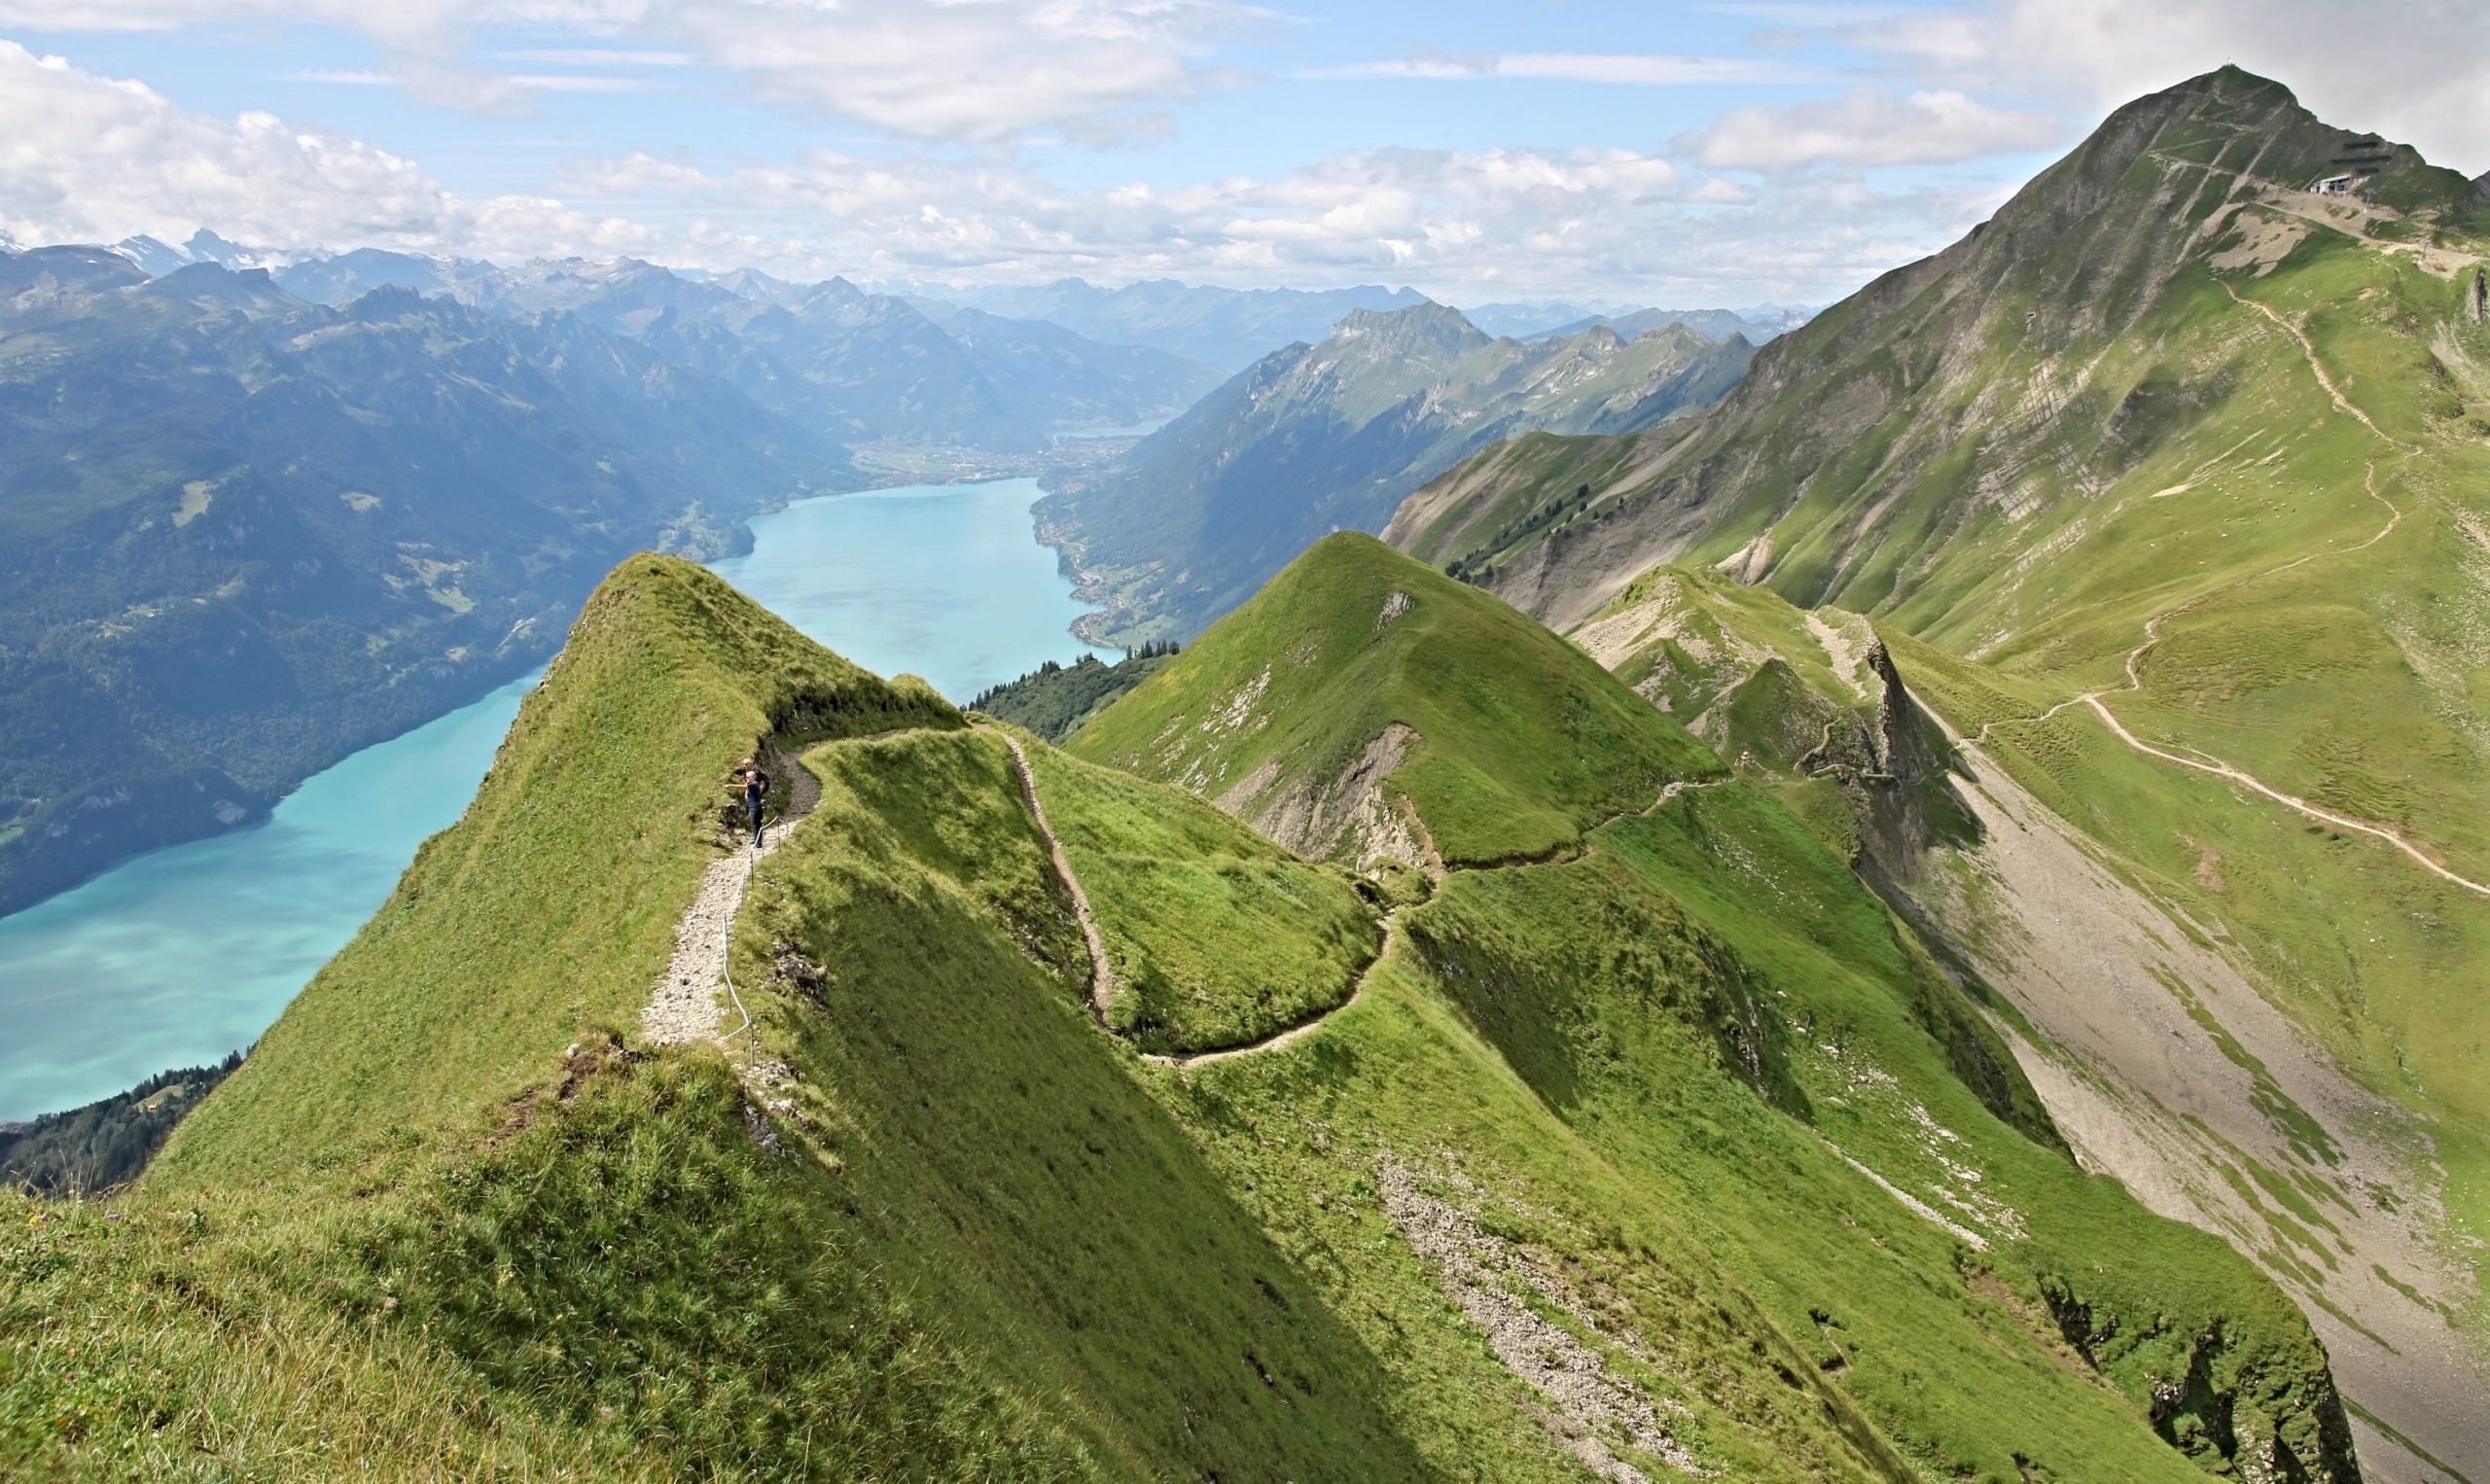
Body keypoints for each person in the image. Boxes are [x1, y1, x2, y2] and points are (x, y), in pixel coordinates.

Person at [729, 757, 770, 848]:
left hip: (754, 800)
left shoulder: (757, 774)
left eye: (745, 764)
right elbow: (746, 785)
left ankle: (757, 841)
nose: (744, 766)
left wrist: (757, 793)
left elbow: (761, 784)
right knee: (753, 821)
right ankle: (756, 838)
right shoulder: (746, 774)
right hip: (750, 799)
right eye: (743, 764)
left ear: (750, 764)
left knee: (754, 821)